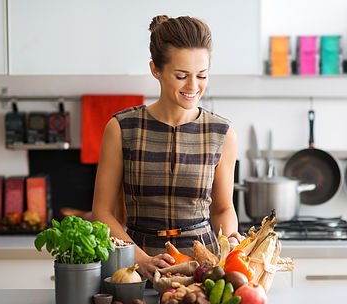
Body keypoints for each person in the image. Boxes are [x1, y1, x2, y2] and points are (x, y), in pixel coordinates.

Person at [92, 15, 243, 281]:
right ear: (155, 70)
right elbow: (102, 214)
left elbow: (222, 209)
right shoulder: (122, 128)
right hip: (134, 270)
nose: (193, 86)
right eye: (181, 76)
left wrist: (230, 240)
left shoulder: (222, 133)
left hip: (204, 272)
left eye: (202, 75)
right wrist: (140, 260)